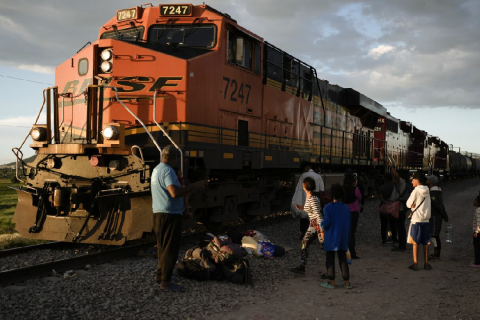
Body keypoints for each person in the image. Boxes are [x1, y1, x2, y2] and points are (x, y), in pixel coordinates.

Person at [151, 145, 207, 291]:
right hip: (169, 215)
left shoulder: (157, 169)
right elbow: (174, 193)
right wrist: (195, 185)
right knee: (170, 249)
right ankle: (166, 283)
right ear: (174, 158)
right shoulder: (168, 171)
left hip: (158, 213)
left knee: (162, 247)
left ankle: (160, 275)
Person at [320, 183, 352, 289]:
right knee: (342, 259)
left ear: (332, 195)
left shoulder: (327, 207)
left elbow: (327, 223)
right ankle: (347, 282)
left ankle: (331, 281)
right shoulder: (346, 208)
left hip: (331, 238)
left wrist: (321, 224)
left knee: (330, 259)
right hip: (342, 238)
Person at [290, 177, 323, 274]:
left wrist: (321, 228)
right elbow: (312, 210)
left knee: (325, 246)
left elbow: (317, 213)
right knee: (305, 242)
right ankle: (302, 266)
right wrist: (302, 208)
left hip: (317, 224)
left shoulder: (312, 199)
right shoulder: (311, 198)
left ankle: (331, 270)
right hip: (313, 224)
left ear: (305, 186)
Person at [292, 161, 324, 240]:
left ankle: (303, 233)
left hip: (306, 198)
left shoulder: (303, 176)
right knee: (315, 216)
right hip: (316, 198)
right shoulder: (318, 176)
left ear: (306, 168)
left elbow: (299, 190)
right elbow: (322, 190)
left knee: (304, 217)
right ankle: (317, 234)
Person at [406, 171, 432, 271]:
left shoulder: (416, 190)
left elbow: (408, 204)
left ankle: (415, 264)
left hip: (416, 219)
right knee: (426, 242)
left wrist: (412, 205)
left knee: (415, 242)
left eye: (413, 180)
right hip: (426, 220)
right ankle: (426, 263)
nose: (412, 181)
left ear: (417, 180)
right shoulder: (428, 191)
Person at [426, 175, 449, 261]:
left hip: (435, 216)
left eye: (428, 179)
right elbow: (441, 205)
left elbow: (437, 206)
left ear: (431, 182)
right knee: (434, 236)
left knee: (434, 236)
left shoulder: (433, 193)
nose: (426, 180)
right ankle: (436, 255)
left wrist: (444, 215)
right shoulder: (437, 191)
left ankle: (437, 256)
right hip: (436, 216)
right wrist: (444, 215)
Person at [343, 173, 362, 259]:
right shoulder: (355, 190)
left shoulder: (342, 190)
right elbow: (360, 197)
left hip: (344, 212)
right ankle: (352, 253)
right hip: (354, 213)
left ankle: (344, 252)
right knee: (352, 233)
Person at [389, 165, 408, 252]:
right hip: (398, 209)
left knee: (400, 227)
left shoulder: (401, 182)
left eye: (394, 176)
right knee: (399, 227)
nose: (393, 178)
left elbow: (396, 176)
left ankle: (402, 246)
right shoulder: (399, 184)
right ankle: (401, 244)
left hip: (399, 209)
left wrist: (391, 167)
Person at [378, 173, 398, 244]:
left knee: (383, 224)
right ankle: (394, 238)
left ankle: (384, 238)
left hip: (383, 206)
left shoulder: (381, 187)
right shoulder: (394, 187)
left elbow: (380, 196)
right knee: (393, 224)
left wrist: (385, 202)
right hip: (393, 206)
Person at [471, 193, 480, 267]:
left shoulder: (478, 210)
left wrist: (476, 231)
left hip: (478, 232)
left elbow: (478, 222)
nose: (474, 201)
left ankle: (477, 262)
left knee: (477, 246)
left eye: (475, 200)